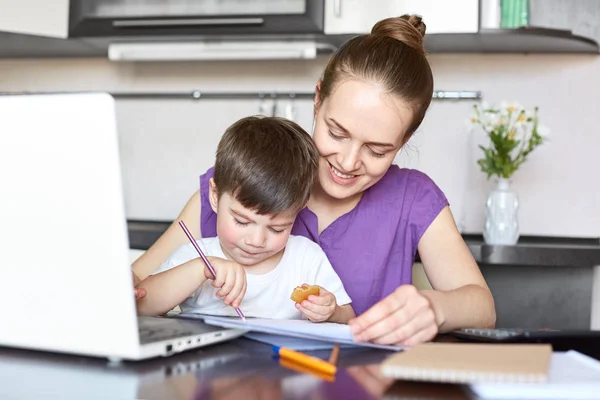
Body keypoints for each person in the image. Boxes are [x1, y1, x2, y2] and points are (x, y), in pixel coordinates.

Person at [133, 14, 496, 345]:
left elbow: (482, 307)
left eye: (378, 150)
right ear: (318, 101)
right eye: (336, 133)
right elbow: (134, 287)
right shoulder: (242, 186)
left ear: (404, 140)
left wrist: (434, 307)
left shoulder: (413, 198)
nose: (348, 162)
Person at [136, 116, 355, 323]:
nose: (256, 240)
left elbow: (349, 317)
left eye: (277, 228)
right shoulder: (197, 256)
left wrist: (332, 311)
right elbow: (141, 306)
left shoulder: (306, 258)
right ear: (214, 195)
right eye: (242, 221)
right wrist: (201, 269)